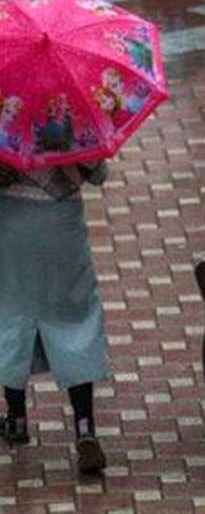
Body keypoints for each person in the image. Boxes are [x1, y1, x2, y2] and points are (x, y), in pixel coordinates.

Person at [0, 161, 110, 474]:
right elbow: (99, 174)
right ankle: (85, 427)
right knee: (75, 320)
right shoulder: (73, 128)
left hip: (10, 224)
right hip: (63, 227)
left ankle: (17, 418)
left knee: (11, 314)